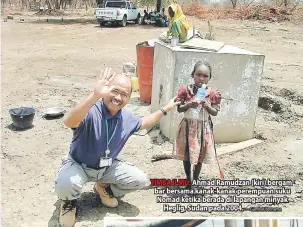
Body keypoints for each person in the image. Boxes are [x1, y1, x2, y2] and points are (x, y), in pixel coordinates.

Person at [54, 68, 180, 227]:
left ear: (129, 97)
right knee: (65, 184)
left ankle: (102, 188)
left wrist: (166, 109)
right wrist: (94, 95)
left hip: (106, 167)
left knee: (140, 180)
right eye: (115, 91)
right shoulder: (92, 111)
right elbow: (69, 122)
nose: (118, 97)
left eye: (125, 94)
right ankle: (69, 202)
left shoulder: (126, 119)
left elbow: (144, 122)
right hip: (79, 164)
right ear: (106, 90)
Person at [174, 61, 224, 185]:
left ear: (209, 78)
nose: (201, 78)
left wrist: (207, 106)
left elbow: (215, 113)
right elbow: (179, 109)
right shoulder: (185, 90)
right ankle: (188, 179)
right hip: (187, 128)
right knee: (186, 155)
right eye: (198, 74)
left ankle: (195, 180)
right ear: (193, 75)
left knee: (199, 156)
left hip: (202, 129)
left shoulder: (213, 93)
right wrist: (189, 104)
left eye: (205, 76)